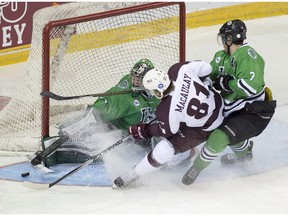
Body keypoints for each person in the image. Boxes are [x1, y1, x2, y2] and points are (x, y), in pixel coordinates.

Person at [182, 19, 277, 185]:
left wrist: (226, 83)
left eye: (224, 38)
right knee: (229, 131)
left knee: (220, 135)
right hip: (229, 108)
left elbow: (250, 87)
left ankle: (196, 168)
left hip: (252, 112)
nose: (223, 42)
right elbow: (209, 78)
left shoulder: (247, 56)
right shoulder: (221, 57)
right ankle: (244, 155)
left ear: (230, 39)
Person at [112, 60, 225, 188]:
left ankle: (136, 173)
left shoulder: (166, 110)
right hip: (220, 103)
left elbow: (167, 131)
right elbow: (207, 67)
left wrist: (145, 130)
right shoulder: (178, 70)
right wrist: (202, 81)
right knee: (180, 118)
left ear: (158, 91)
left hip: (209, 125)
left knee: (166, 147)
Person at [40, 59, 161, 166]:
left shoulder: (157, 87)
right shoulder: (126, 97)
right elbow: (105, 108)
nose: (134, 80)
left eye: (138, 78)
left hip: (151, 134)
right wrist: (92, 115)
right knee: (101, 149)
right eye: (134, 76)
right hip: (125, 135)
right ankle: (59, 147)